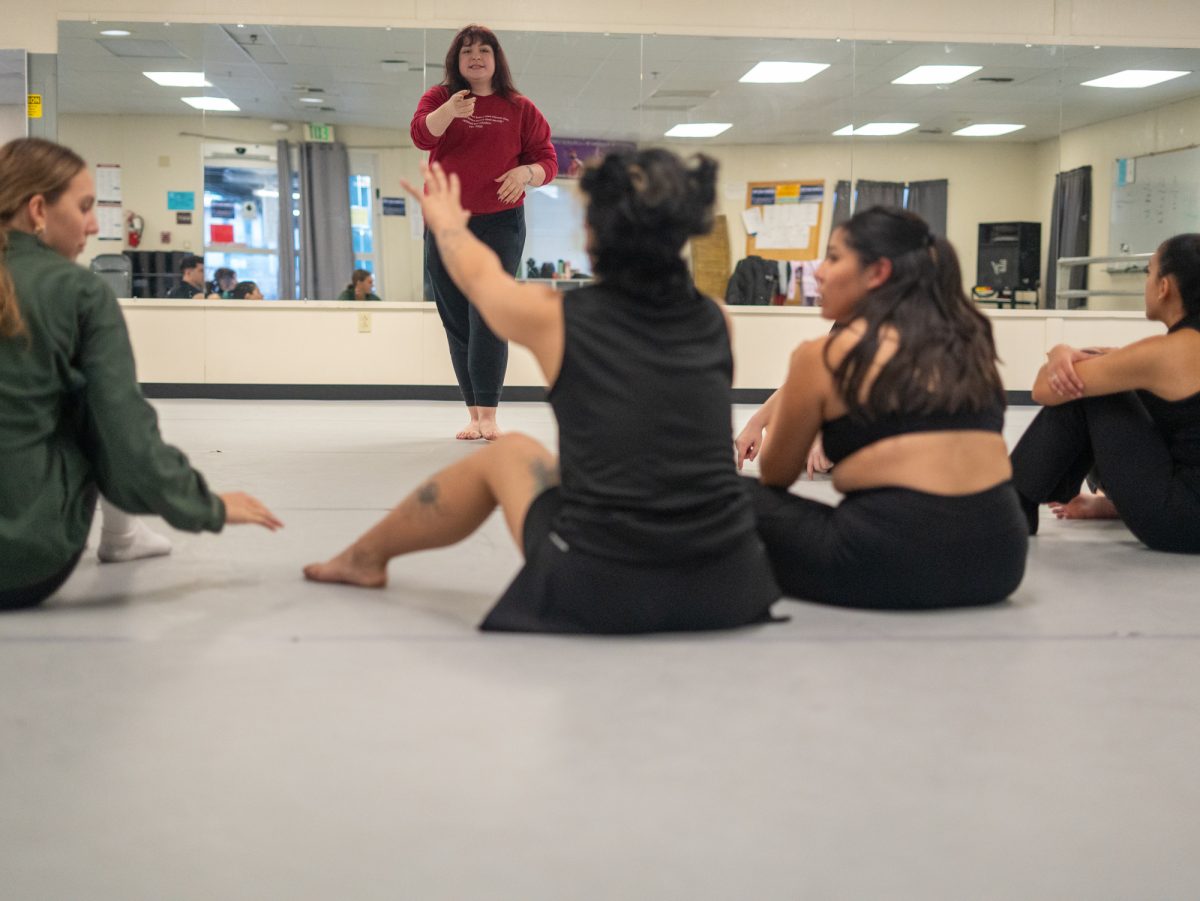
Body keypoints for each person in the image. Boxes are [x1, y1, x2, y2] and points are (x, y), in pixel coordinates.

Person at [305, 150, 780, 634]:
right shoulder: (715, 321)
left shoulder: (558, 317)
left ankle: (363, 558)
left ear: (594, 234)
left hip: (603, 585)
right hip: (728, 580)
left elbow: (479, 278)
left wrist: (446, 224)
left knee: (508, 452)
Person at [0, 138, 283, 611]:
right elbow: (126, 438)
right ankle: (122, 536)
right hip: (24, 562)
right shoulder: (79, 291)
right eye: (85, 207)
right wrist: (207, 505)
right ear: (37, 210)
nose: (93, 224)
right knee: (96, 405)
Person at [747, 206, 1027, 609]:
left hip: (893, 565)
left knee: (724, 492)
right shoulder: (969, 344)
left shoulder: (825, 354)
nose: (819, 272)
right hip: (1001, 562)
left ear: (877, 273)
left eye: (833, 257)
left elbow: (775, 476)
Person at [410, 23, 558, 441]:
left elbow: (548, 159)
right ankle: (473, 413)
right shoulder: (440, 98)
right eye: (467, 51)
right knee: (456, 318)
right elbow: (421, 135)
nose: (475, 57)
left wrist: (526, 172)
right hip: (446, 222)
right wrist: (449, 112)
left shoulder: (520, 106)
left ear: (496, 60)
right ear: (456, 61)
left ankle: (490, 413)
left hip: (500, 223)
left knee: (488, 316)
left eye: (484, 51)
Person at [1009, 233, 1200, 552]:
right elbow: (1118, 358)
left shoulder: (1168, 353)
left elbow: (1043, 390)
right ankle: (1110, 505)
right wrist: (1064, 351)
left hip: (1181, 521)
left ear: (1164, 287)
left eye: (1149, 272)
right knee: (1117, 383)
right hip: (1187, 502)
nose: (1147, 282)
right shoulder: (1174, 352)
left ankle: (1012, 503)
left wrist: (1059, 354)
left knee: (1095, 391)